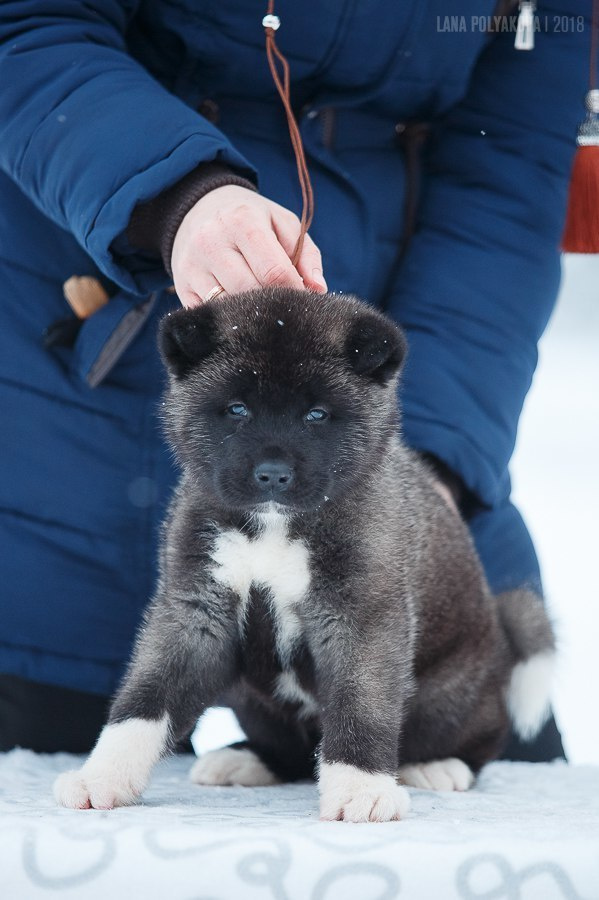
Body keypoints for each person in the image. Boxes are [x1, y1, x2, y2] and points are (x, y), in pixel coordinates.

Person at [0, 1, 589, 757]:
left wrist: (430, 455)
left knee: (482, 788)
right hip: (82, 354)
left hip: (369, 401)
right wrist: (176, 191)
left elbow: (507, 170)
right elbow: (26, 24)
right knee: (75, 826)